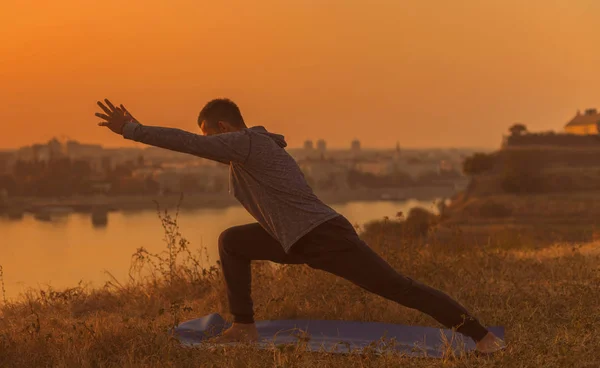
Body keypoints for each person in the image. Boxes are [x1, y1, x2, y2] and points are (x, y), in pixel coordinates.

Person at [95, 98, 506, 353]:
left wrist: (132, 130)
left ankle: (482, 336)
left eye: (213, 136)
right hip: (291, 238)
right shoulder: (251, 148)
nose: (213, 146)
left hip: (324, 236)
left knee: (399, 288)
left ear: (224, 129)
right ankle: (244, 327)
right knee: (233, 242)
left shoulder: (247, 142)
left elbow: (191, 143)